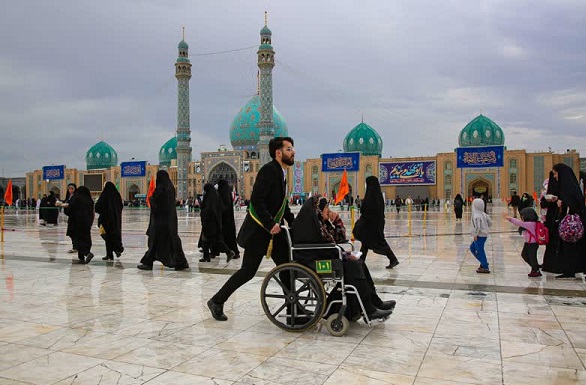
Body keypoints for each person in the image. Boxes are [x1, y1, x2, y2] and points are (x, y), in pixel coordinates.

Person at [207, 137, 296, 321]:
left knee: (287, 267)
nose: (293, 152)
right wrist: (270, 224)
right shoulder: (269, 171)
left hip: (273, 232)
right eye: (289, 149)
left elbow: (281, 204)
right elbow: (257, 201)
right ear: (278, 153)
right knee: (248, 271)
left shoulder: (281, 173)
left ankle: (292, 310)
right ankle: (217, 300)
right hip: (259, 233)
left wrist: (293, 221)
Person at [292, 196, 395, 320]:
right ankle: (368, 309)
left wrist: (336, 220)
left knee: (359, 263)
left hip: (323, 258)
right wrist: (343, 255)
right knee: (353, 266)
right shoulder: (308, 225)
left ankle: (374, 302)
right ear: (318, 209)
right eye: (326, 208)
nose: (328, 211)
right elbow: (318, 249)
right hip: (313, 263)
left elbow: (339, 239)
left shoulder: (320, 223)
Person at [137, 170, 190, 271]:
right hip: (170, 220)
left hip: (160, 222)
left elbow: (157, 203)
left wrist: (151, 198)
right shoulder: (171, 187)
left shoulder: (161, 188)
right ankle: (181, 262)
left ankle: (148, 263)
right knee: (172, 241)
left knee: (154, 241)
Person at [352, 176, 399, 269]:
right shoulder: (377, 196)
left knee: (379, 242)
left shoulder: (371, 196)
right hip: (375, 223)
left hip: (372, 224)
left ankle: (393, 259)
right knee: (366, 241)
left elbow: (367, 210)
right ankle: (361, 261)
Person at [551, 163, 585, 279]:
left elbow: (573, 206)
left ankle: (570, 270)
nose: (555, 177)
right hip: (571, 226)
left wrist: (562, 203)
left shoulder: (568, 189)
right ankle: (570, 269)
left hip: (571, 227)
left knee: (570, 247)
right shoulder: (568, 187)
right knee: (569, 247)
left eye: (556, 174)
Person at [199, 183, 234, 262]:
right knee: (208, 240)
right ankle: (206, 257)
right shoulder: (215, 196)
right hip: (215, 222)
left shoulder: (209, 198)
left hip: (209, 223)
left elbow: (208, 210)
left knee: (210, 240)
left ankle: (229, 252)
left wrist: (204, 215)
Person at [506, 207, 541, 277]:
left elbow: (519, 223)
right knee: (525, 255)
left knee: (532, 257)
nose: (522, 217)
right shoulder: (530, 223)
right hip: (528, 243)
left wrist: (510, 219)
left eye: (522, 216)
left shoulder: (530, 224)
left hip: (533, 244)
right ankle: (535, 267)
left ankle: (536, 270)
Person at [64, 186, 95, 264]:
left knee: (77, 240)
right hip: (87, 223)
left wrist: (65, 207)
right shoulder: (90, 200)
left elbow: (68, 210)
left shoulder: (76, 198)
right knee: (85, 239)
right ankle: (81, 257)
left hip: (76, 223)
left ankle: (87, 253)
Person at [95, 182, 124, 261]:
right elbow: (121, 207)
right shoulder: (117, 195)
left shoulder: (104, 195)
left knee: (107, 237)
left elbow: (97, 207)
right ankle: (114, 251)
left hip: (105, 220)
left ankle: (111, 253)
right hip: (115, 221)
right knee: (113, 235)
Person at [540, 172, 562, 273]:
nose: (555, 177)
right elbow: (542, 204)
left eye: (556, 174)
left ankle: (558, 264)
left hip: (561, 222)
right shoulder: (548, 191)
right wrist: (549, 201)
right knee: (550, 243)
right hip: (549, 221)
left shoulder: (564, 189)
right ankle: (549, 264)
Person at [217, 179, 240, 260]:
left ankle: (233, 252)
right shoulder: (227, 193)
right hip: (228, 221)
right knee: (228, 238)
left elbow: (224, 207)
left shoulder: (224, 194)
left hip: (225, 221)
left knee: (227, 238)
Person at [470, 198, 492, 273]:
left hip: (479, 235)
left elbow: (477, 226)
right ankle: (483, 262)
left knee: (479, 250)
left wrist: (475, 234)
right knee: (473, 248)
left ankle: (485, 266)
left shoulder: (476, 215)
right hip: (484, 235)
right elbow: (490, 223)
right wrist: (485, 227)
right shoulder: (483, 213)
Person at [60, 183, 77, 253]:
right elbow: (66, 202)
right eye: (69, 189)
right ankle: (75, 246)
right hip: (71, 218)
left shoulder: (76, 196)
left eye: (72, 189)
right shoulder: (69, 196)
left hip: (76, 218)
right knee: (71, 233)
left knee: (74, 232)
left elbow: (74, 205)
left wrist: (68, 206)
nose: (70, 190)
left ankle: (76, 247)